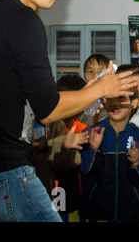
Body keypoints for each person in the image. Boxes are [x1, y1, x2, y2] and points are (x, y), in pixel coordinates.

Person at [0, 0, 136, 222]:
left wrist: (87, 91)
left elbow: (36, 102)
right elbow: (49, 108)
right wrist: (103, 87)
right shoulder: (22, 18)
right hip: (7, 173)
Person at [80, 66, 139, 222]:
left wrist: (136, 164)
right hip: (96, 215)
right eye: (111, 98)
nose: (116, 103)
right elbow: (85, 170)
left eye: (122, 98)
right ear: (105, 102)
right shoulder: (92, 132)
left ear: (134, 103)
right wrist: (93, 149)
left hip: (130, 215)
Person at [48, 74, 89, 222]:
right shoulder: (54, 125)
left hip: (78, 194)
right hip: (58, 192)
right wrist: (67, 147)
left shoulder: (82, 125)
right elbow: (54, 163)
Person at [80, 54, 110, 126]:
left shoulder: (113, 103)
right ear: (84, 77)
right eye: (90, 71)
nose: (95, 76)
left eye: (100, 72)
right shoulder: (80, 103)